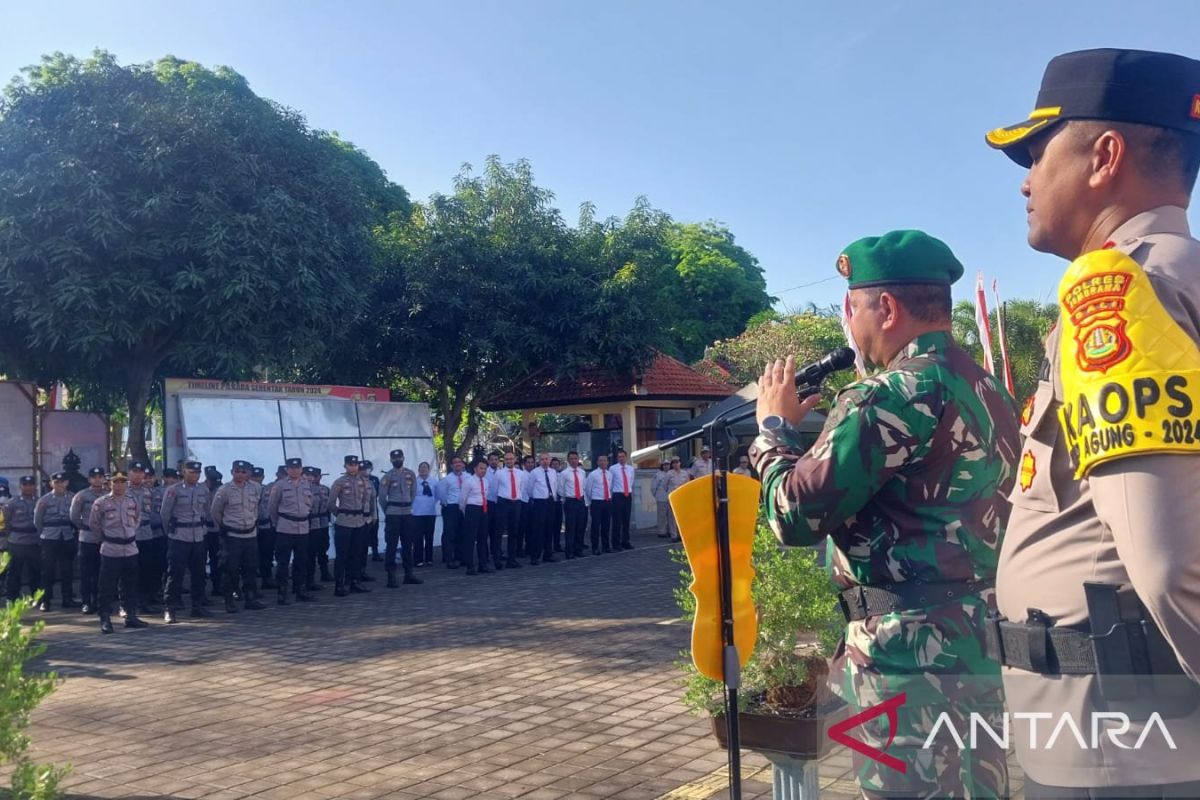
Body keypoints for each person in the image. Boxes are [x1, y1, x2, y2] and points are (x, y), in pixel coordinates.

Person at [985, 48, 1200, 797]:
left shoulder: (1122, 289)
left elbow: (1172, 567)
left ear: (1104, 156)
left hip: (1122, 751)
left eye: (1039, 151)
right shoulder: (1179, 275)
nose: (1026, 178)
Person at [750, 230, 1020, 799]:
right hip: (978, 638)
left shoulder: (890, 394)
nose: (850, 325)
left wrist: (773, 433)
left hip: (903, 655)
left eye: (851, 307)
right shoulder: (989, 389)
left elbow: (792, 515)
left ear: (888, 308)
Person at [90, 472, 148, 634]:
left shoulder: (132, 501)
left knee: (130, 584)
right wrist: (106, 539)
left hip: (130, 548)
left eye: (122, 482)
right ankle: (105, 619)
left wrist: (131, 533)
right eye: (116, 482)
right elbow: (94, 524)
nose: (119, 485)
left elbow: (137, 519)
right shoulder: (101, 503)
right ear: (110, 484)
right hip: (111, 549)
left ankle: (131, 616)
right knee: (107, 586)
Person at [210, 460, 266, 612]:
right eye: (237, 471)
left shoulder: (256, 488)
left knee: (251, 568)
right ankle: (229, 600)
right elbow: (216, 512)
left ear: (248, 473)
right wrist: (224, 527)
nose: (240, 474)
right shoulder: (225, 490)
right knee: (230, 569)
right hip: (232, 535)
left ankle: (250, 598)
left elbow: (257, 508)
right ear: (232, 472)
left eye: (243, 471)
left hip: (250, 534)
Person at [160, 461, 210, 623]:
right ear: (183, 472)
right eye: (191, 472)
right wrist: (170, 534)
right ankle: (170, 608)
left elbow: (206, 511)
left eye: (197, 472)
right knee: (175, 574)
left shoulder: (203, 489)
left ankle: (197, 606)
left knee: (199, 573)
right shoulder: (173, 490)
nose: (195, 475)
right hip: (179, 536)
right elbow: (164, 515)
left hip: (198, 536)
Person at [268, 457, 314, 604]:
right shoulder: (280, 485)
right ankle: (282, 593)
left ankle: (300, 590)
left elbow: (310, 504)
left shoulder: (306, 484)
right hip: (285, 527)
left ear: (301, 469)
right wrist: (278, 523)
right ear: (287, 470)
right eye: (291, 468)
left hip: (303, 528)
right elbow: (272, 507)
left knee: (301, 561)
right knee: (283, 562)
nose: (294, 470)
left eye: (297, 468)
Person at [328, 455, 370, 596]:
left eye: (355, 464)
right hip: (344, 522)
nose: (353, 466)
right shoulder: (339, 482)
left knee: (356, 554)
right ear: (345, 466)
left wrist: (364, 516)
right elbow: (331, 503)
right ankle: (339, 584)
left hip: (359, 521)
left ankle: (354, 582)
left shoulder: (364, 482)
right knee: (342, 555)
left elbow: (365, 501)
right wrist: (341, 514)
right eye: (350, 464)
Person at [379, 449, 421, 587]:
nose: (397, 460)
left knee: (408, 544)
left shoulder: (410, 474)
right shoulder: (387, 476)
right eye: (394, 459)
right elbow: (382, 498)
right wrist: (389, 510)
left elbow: (413, 493)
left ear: (403, 458)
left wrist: (408, 504)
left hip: (407, 512)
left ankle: (409, 574)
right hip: (393, 513)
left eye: (399, 458)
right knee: (391, 545)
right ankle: (391, 576)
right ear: (391, 460)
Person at [35, 472, 76, 611]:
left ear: (67, 483)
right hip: (49, 537)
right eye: (56, 482)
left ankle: (67, 598)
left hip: (67, 535)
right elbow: (37, 521)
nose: (59, 484)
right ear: (51, 483)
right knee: (47, 570)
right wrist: (42, 535)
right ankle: (45, 601)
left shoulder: (73, 497)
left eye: (62, 481)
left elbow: (76, 516)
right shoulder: (44, 499)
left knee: (67, 569)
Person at [70, 467, 107, 614]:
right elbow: (73, 516)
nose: (97, 479)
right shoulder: (82, 496)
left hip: (105, 538)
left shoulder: (108, 495)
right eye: (94, 477)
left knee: (102, 572)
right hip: (87, 537)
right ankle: (86, 601)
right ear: (89, 479)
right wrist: (86, 527)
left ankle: (100, 600)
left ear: (104, 478)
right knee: (86, 572)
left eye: (100, 476)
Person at [127, 461, 160, 616]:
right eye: (135, 471)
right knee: (129, 571)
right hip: (129, 535)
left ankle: (144, 602)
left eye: (141, 472)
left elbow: (154, 511)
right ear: (129, 473)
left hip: (146, 533)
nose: (139, 475)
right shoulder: (122, 490)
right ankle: (126, 604)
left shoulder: (149, 491)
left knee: (147, 569)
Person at [4, 476, 41, 603]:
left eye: (31, 484)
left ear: (34, 486)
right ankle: (12, 596)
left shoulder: (40, 501)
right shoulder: (12, 503)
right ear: (20, 486)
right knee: (14, 571)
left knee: (35, 570)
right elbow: (6, 522)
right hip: (17, 541)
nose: (28, 487)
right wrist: (11, 536)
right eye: (25, 485)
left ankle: (36, 596)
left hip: (34, 541)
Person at [492, 452, 525, 569]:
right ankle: (497, 560)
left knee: (514, 532)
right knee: (499, 532)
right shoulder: (499, 474)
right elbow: (494, 490)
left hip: (516, 503)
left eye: (511, 459)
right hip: (503, 503)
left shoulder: (521, 473)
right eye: (507, 459)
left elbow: (522, 488)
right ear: (504, 460)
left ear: (515, 459)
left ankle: (512, 559)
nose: (509, 461)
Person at [458, 458, 490, 575]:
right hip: (472, 509)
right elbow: (462, 499)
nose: (483, 471)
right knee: (470, 539)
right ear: (475, 469)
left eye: (485, 469)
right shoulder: (469, 481)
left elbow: (486, 495)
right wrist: (466, 511)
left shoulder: (486, 481)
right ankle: (470, 565)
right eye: (481, 468)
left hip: (483, 509)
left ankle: (483, 564)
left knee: (482, 538)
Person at [527, 453, 559, 565]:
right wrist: (535, 497)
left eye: (546, 459)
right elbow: (529, 489)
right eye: (542, 459)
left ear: (549, 460)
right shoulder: (535, 472)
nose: (545, 461)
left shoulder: (553, 472)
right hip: (539, 502)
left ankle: (548, 554)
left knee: (549, 528)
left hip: (550, 501)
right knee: (538, 530)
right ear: (538, 461)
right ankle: (535, 556)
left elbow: (555, 486)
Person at [303, 467, 332, 589]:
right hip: (310, 524)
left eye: (314, 475)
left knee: (323, 548)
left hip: (323, 522)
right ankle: (309, 579)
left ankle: (324, 572)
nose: (312, 477)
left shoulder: (325, 489)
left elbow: (330, 505)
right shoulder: (304, 489)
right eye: (308, 475)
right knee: (310, 552)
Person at [437, 457, 467, 568]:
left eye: (459, 462)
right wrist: (448, 505)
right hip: (451, 507)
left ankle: (460, 557)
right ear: (451, 466)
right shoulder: (447, 479)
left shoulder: (467, 477)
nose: (458, 464)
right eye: (455, 463)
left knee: (462, 533)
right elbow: (442, 495)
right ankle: (448, 558)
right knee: (449, 533)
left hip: (464, 507)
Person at [255, 466, 281, 589]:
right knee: (252, 556)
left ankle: (267, 578)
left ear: (263, 477)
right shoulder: (246, 490)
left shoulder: (267, 489)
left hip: (266, 526)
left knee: (267, 553)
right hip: (250, 528)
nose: (257, 479)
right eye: (254, 477)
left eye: (259, 477)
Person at [558, 452, 588, 559]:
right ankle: (569, 551)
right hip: (570, 501)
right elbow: (560, 489)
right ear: (568, 460)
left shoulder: (582, 472)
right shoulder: (564, 473)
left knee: (580, 527)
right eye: (571, 459)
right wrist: (566, 498)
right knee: (571, 527)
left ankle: (578, 550)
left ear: (578, 459)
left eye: (575, 458)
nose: (574, 460)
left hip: (580, 501)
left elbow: (584, 487)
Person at [411, 462, 439, 567]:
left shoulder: (434, 482)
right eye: (421, 468)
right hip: (417, 513)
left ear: (429, 469)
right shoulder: (414, 482)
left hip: (430, 512)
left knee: (429, 536)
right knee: (417, 537)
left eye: (425, 468)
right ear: (418, 470)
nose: (423, 470)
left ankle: (429, 558)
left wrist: (430, 503)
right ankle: (418, 559)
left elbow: (437, 496)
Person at [607, 450, 635, 551]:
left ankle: (626, 541)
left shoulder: (631, 469)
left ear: (626, 457)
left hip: (627, 495)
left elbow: (631, 482)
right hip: (617, 495)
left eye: (623, 456)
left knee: (626, 520)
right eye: (619, 457)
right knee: (617, 520)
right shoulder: (613, 469)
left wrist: (627, 492)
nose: (621, 458)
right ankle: (616, 543)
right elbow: (610, 483)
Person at [585, 454, 613, 554]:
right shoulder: (593, 474)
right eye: (601, 460)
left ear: (607, 462)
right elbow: (588, 489)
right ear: (597, 462)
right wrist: (591, 501)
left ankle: (606, 546)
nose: (603, 462)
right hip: (596, 502)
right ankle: (595, 547)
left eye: (605, 460)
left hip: (607, 502)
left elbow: (610, 488)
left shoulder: (609, 474)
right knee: (596, 525)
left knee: (606, 525)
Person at [662, 457, 689, 542]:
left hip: (682, 496)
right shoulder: (669, 473)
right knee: (672, 517)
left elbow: (687, 484)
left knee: (681, 517)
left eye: (677, 462)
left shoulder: (685, 473)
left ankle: (681, 534)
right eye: (673, 463)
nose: (675, 464)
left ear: (680, 463)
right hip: (673, 496)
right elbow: (664, 485)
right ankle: (674, 535)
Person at [361, 459, 381, 567]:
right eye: (363, 469)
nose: (365, 471)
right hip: (361, 510)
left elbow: (377, 492)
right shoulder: (358, 480)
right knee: (363, 534)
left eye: (367, 468)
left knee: (374, 531)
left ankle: (375, 552)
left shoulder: (374, 479)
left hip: (372, 507)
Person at [650, 462, 671, 538]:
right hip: (661, 497)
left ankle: (670, 531)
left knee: (671, 516)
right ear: (662, 466)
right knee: (661, 516)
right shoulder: (658, 475)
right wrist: (656, 496)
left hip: (671, 498)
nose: (666, 466)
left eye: (668, 464)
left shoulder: (672, 473)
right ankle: (661, 532)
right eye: (665, 465)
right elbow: (653, 487)